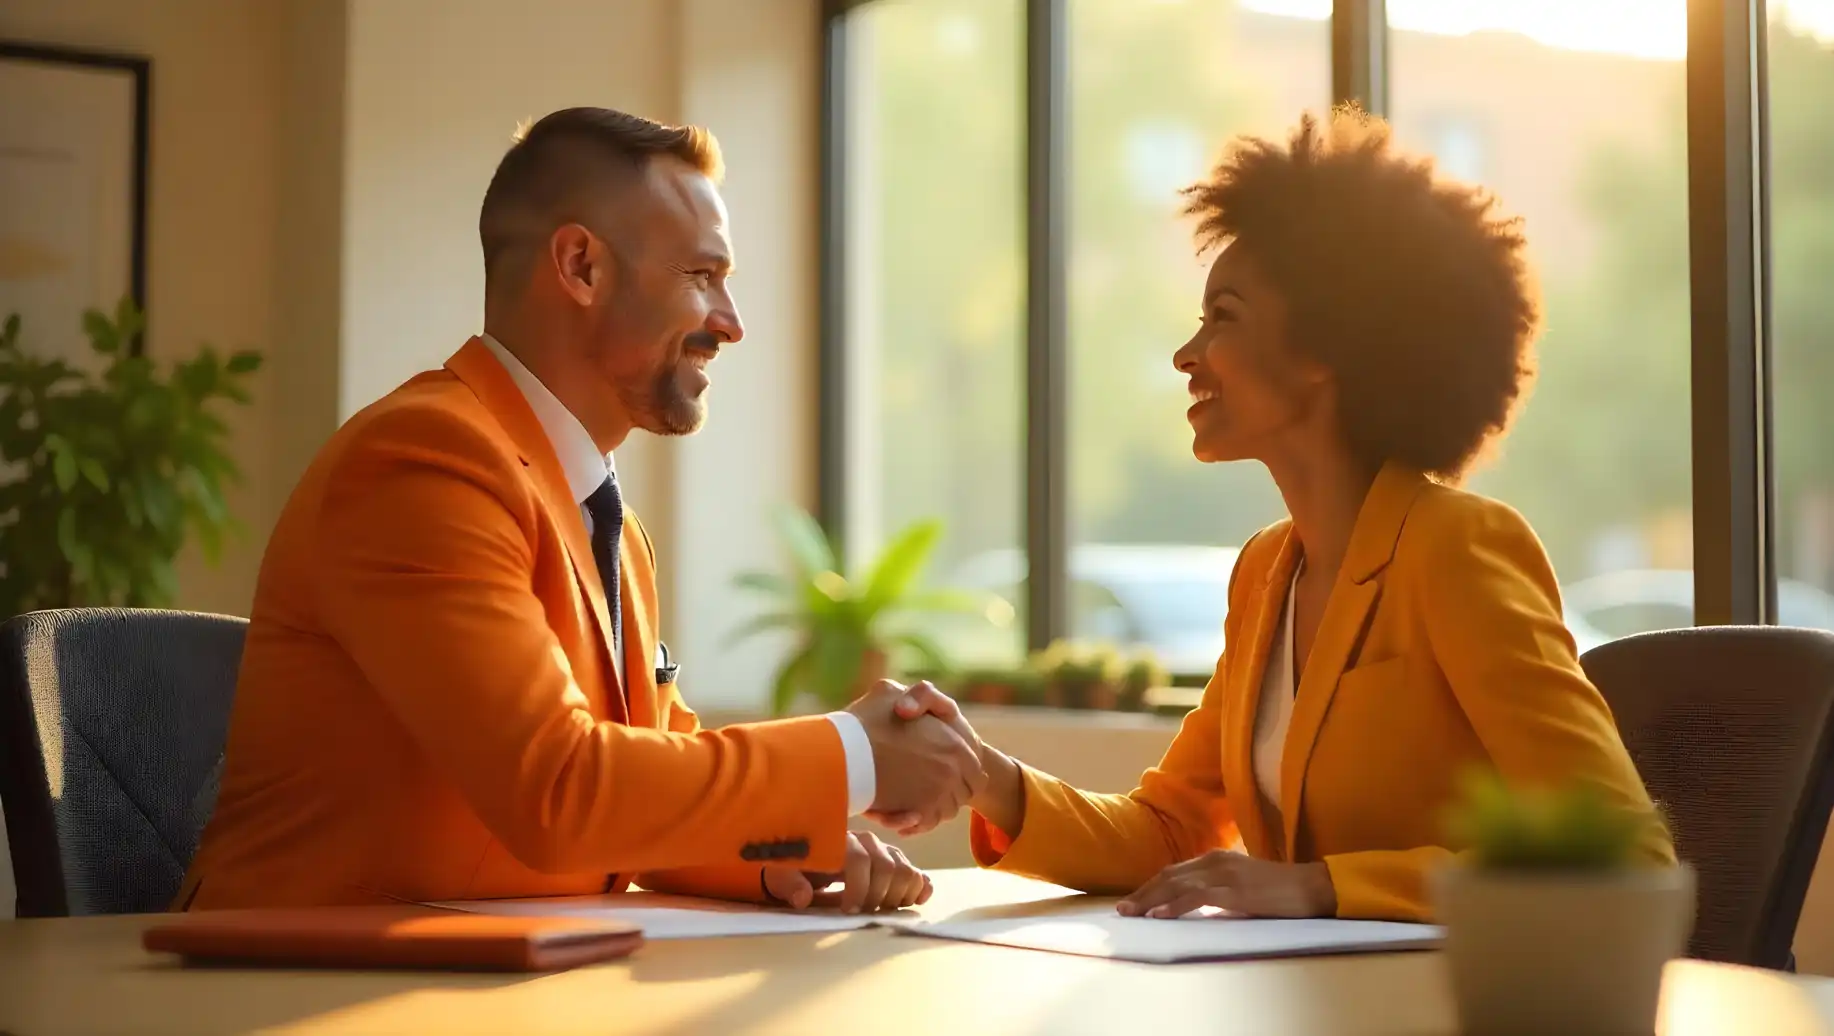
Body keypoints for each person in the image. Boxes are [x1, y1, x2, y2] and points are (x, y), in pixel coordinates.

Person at [178, 107, 983, 914]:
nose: (731, 324)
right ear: (581, 266)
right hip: (294, 986)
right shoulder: (421, 461)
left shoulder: (614, 532)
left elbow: (644, 775)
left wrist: (782, 860)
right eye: (702, 276)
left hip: (490, 979)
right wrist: (853, 753)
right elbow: (557, 788)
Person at [891, 105, 1676, 923]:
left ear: (1326, 352)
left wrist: (1320, 885)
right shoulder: (1267, 571)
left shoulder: (1457, 547)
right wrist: (983, 773)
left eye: (1223, 318)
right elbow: (1169, 830)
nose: (1187, 354)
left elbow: (1623, 853)